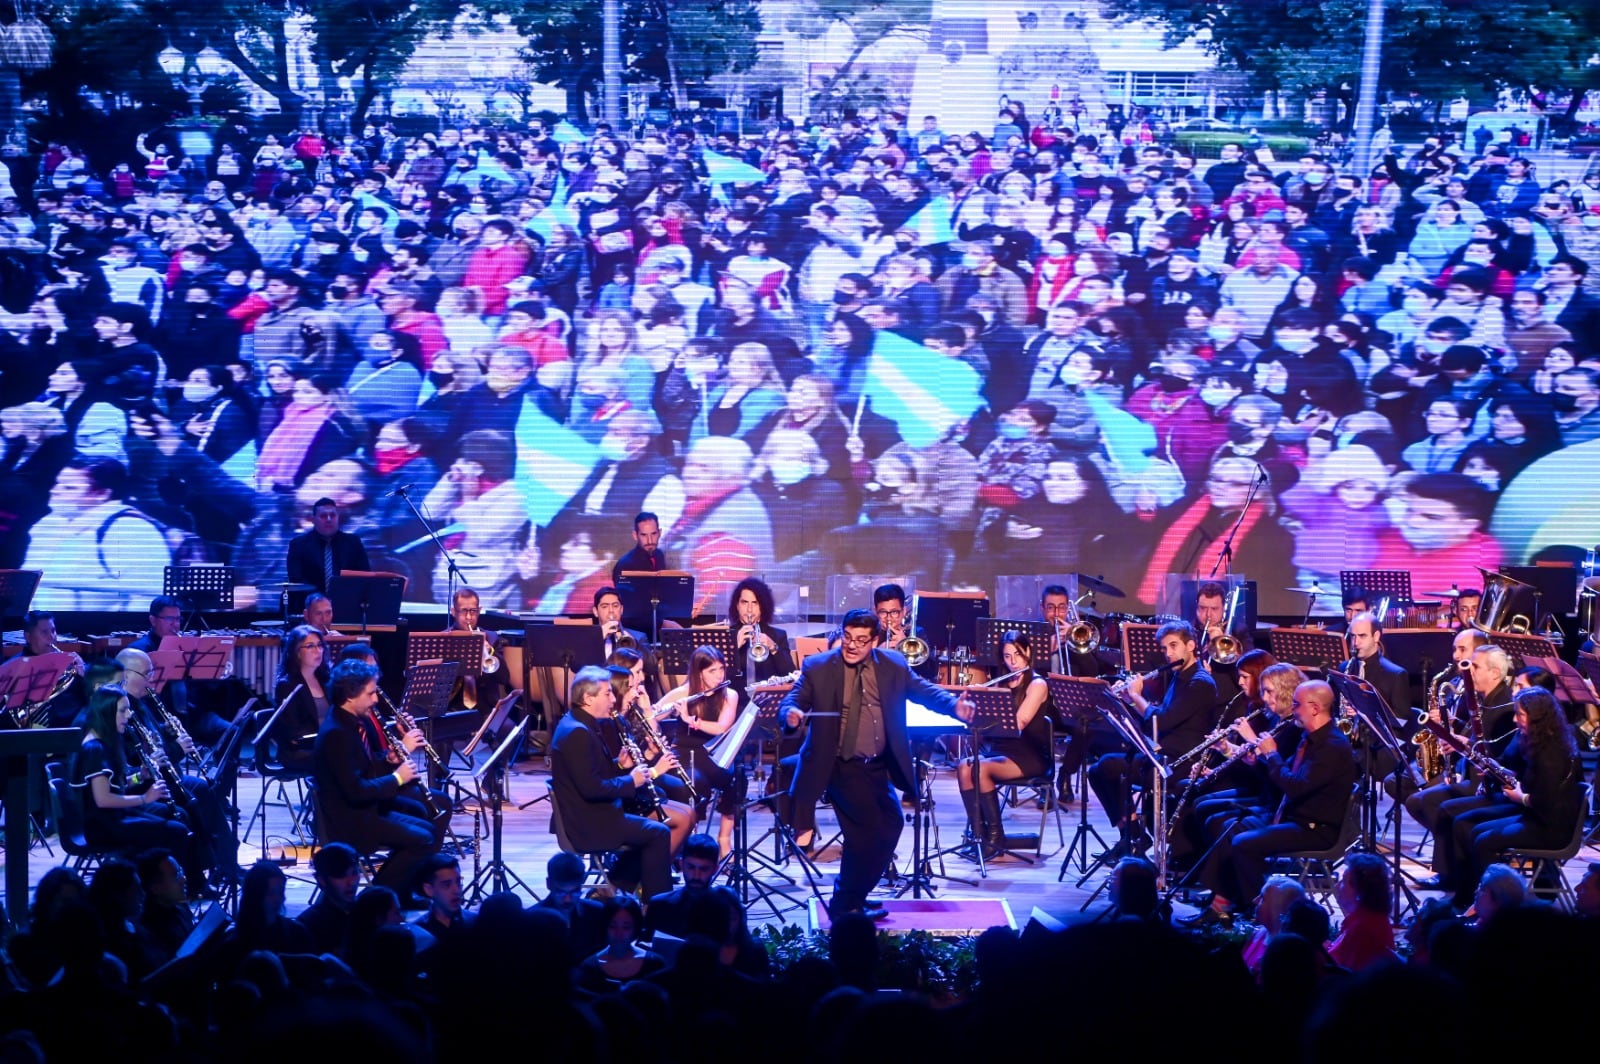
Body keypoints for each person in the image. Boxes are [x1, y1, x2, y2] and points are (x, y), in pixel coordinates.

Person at [781, 608, 968, 918]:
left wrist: (953, 706)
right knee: (866, 832)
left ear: (875, 642)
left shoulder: (893, 664)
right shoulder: (819, 667)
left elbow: (925, 692)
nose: (852, 645)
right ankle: (846, 903)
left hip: (878, 766)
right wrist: (790, 715)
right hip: (839, 765)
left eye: (861, 640)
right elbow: (793, 700)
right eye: (848, 638)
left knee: (890, 825)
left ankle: (853, 896)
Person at [1190, 680, 1359, 924]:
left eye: (1297, 704)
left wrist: (1270, 753)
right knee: (1229, 826)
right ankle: (1223, 902)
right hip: (1292, 815)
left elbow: (1295, 786)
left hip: (1314, 828)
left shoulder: (1332, 745)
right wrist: (1255, 761)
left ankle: (1257, 912)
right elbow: (1284, 776)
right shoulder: (1309, 738)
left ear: (1314, 708)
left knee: (1243, 842)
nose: (1293, 709)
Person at [1431, 687, 1583, 908]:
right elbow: (1530, 780)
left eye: (1520, 715)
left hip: (1551, 827)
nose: (1514, 719)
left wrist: (1520, 797)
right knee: (1465, 824)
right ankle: (1467, 897)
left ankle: (1497, 905)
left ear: (1538, 716)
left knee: (1483, 840)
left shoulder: (1552, 753)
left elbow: (1545, 802)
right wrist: (1503, 774)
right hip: (1536, 815)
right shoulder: (1536, 739)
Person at [312, 657, 444, 902]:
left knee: (427, 827)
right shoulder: (336, 734)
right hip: (350, 821)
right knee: (424, 839)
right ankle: (376, 900)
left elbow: (364, 768)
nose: (375, 699)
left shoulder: (349, 720)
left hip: (364, 810)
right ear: (351, 695)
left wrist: (389, 759)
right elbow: (356, 790)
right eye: (371, 693)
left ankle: (402, 893)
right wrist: (397, 778)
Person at [1088, 621, 1218, 859]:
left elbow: (1163, 720)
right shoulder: (1179, 676)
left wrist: (1136, 695)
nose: (1168, 653)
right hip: (1162, 755)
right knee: (1098, 769)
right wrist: (1128, 699)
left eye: (1174, 646)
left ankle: (1135, 838)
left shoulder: (1199, 683)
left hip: (1180, 763)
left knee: (1107, 766)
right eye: (1164, 648)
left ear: (1191, 646)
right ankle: (1132, 835)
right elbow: (1155, 716)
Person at [69, 682, 210, 898]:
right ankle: (169, 892)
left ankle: (188, 883)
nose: (129, 715)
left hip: (114, 815)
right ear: (107, 712)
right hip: (103, 823)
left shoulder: (106, 740)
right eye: (123, 710)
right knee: (177, 831)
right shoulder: (94, 748)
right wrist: (145, 798)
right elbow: (103, 799)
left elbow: (117, 783)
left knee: (178, 814)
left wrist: (140, 775)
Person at [549, 665, 679, 899]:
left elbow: (592, 774)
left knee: (654, 829)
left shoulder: (579, 724)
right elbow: (592, 788)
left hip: (596, 815)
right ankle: (657, 909)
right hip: (592, 824)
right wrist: (633, 781)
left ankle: (619, 888)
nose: (613, 699)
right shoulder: (577, 732)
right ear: (588, 698)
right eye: (607, 693)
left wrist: (619, 766)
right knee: (659, 834)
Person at [954, 630, 1053, 858]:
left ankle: (996, 838)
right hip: (1002, 751)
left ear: (1027, 652)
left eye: (1017, 654)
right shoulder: (1004, 682)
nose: (1013, 661)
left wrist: (992, 704)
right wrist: (979, 701)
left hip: (1029, 755)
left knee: (980, 769)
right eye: (1007, 657)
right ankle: (980, 836)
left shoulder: (1037, 684)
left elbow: (1019, 722)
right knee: (963, 767)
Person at [659, 646, 748, 857]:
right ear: (699, 672)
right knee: (694, 783)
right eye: (712, 671)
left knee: (738, 778)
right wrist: (657, 719)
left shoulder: (729, 694)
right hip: (684, 751)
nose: (719, 675)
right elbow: (653, 716)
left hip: (713, 752)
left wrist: (691, 721)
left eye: (721, 669)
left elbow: (721, 727)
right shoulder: (683, 692)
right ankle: (690, 844)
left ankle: (724, 840)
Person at [574, 893, 665, 994]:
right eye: (613, 926)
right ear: (605, 926)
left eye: (626, 927)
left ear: (635, 928)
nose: (619, 933)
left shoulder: (654, 964)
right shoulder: (589, 969)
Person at [272, 624, 330, 771]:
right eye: (310, 646)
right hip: (299, 752)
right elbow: (293, 731)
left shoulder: (326, 680)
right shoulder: (287, 685)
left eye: (319, 645)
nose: (318, 651)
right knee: (341, 758)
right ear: (297, 652)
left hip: (327, 745)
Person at [285, 495, 371, 596]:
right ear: (313, 519)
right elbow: (296, 579)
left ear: (338, 517)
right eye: (323, 516)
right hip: (311, 604)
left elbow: (364, 576)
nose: (329, 519)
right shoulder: (299, 545)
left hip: (346, 602)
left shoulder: (353, 542)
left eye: (332, 515)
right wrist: (320, 600)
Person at [1328, 852, 1397, 970]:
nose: (1337, 885)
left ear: (1360, 893)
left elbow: (1348, 976)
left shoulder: (1362, 928)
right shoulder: (1362, 918)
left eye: (1343, 882)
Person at [534, 851, 607, 957]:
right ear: (548, 884)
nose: (568, 899)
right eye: (560, 892)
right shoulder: (532, 921)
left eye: (575, 891)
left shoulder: (597, 914)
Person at [728, 576, 796, 689]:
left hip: (767, 699)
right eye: (745, 602)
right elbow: (718, 679)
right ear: (737, 606)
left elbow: (790, 675)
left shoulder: (778, 636)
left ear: (763, 607)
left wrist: (773, 648)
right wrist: (734, 647)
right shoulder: (726, 636)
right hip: (736, 701)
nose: (749, 609)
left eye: (755, 603)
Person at [295, 841, 361, 956]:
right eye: (341, 876)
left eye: (354, 873)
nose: (351, 882)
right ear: (321, 880)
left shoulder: (370, 911)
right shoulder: (309, 925)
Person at [415, 852, 470, 943]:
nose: (456, 890)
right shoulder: (419, 933)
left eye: (458, 882)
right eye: (447, 885)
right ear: (428, 889)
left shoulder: (476, 924)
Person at [611, 510, 668, 581]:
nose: (650, 541)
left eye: (653, 534)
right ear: (635, 535)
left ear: (659, 533)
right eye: (644, 535)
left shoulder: (659, 555)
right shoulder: (625, 565)